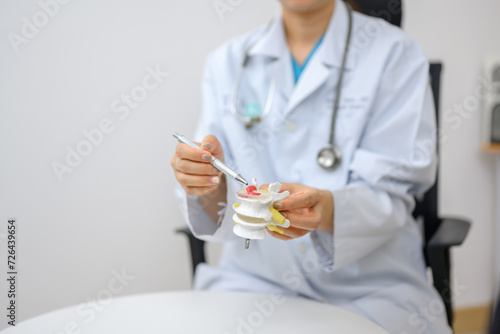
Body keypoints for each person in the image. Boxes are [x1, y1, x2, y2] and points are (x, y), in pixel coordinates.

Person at [171, 0, 451, 333]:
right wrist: (205, 184)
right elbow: (215, 197)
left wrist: (329, 209)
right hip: (254, 279)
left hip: (371, 289)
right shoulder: (228, 62)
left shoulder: (395, 54)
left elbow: (394, 191)